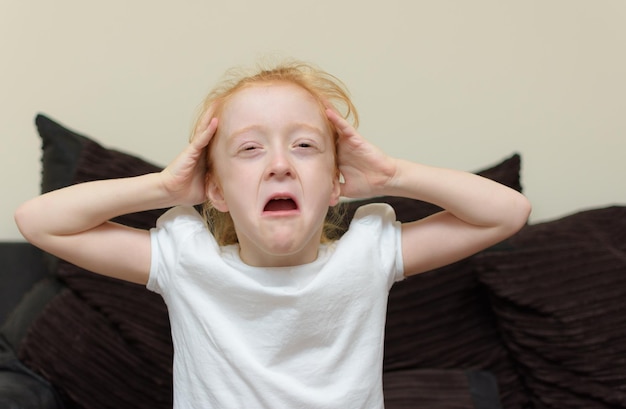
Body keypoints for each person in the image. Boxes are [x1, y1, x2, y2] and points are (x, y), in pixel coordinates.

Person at [15, 60, 531, 408]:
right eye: (250, 149)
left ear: (336, 185)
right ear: (213, 190)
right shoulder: (187, 259)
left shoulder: (367, 254)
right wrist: (164, 187)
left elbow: (506, 213)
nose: (280, 164)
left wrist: (393, 175)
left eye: (304, 146)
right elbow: (38, 221)